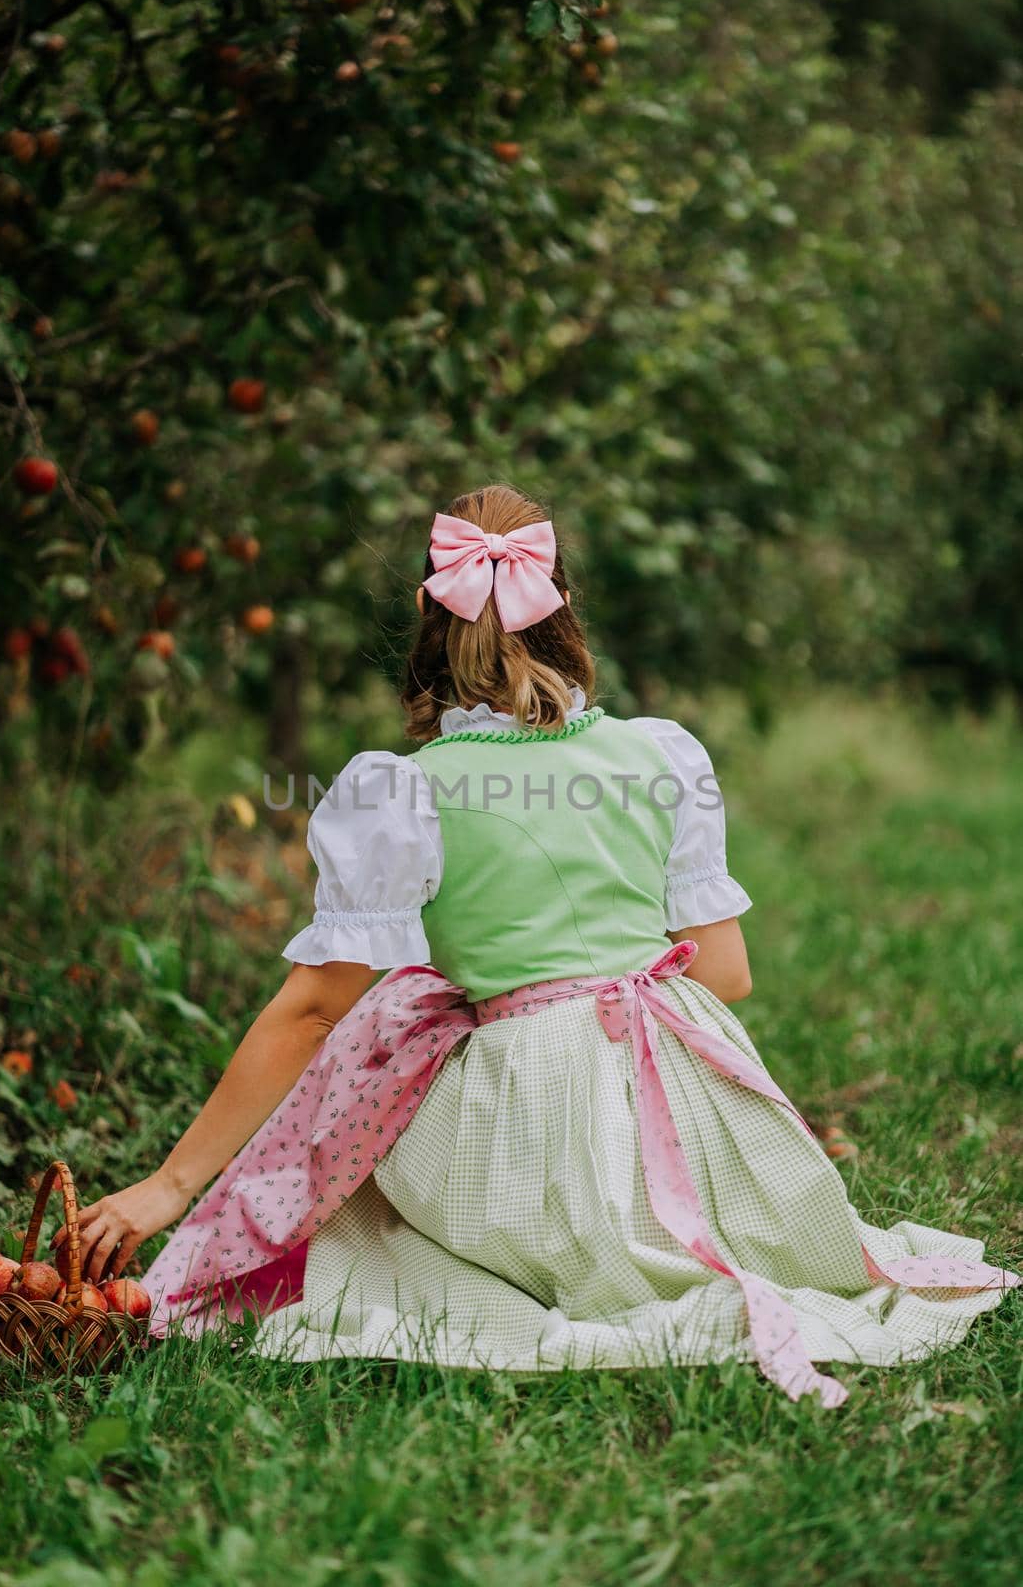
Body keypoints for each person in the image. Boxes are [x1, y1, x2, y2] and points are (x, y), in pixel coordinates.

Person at [57, 484, 1018, 1407]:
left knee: (388, 1072)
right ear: (564, 619)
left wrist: (171, 1183)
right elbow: (725, 976)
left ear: (429, 638)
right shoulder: (658, 755)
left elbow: (313, 1009)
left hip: (525, 1131)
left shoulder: (405, 790)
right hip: (697, 1117)